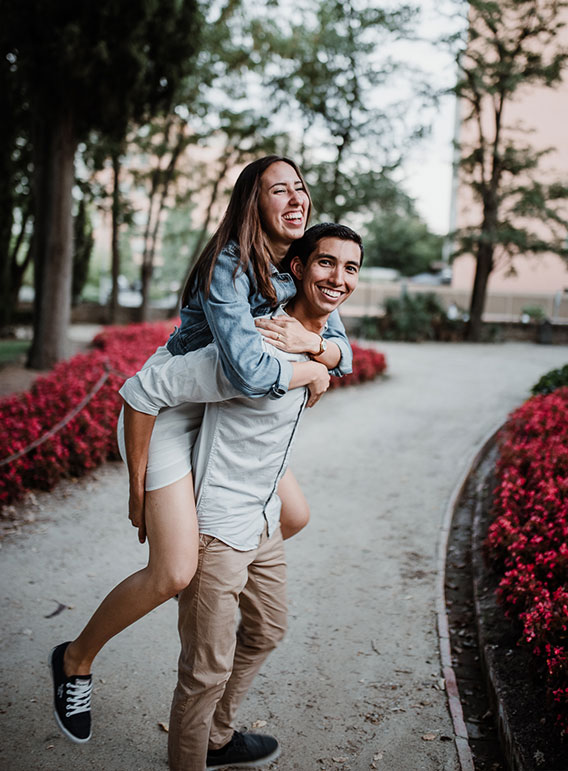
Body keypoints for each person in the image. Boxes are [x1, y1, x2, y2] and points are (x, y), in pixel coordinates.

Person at [50, 156, 351, 744]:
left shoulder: (298, 264)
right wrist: (137, 491)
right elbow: (248, 371)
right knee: (172, 570)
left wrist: (322, 352)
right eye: (278, 190)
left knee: (294, 514)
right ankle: (75, 659)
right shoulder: (228, 267)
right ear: (252, 203)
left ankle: (208, 576)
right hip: (167, 411)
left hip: (221, 414)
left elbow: (338, 337)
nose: (296, 199)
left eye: (300, 188)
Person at [120, 223, 361, 770]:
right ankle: (190, 755)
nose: (338, 278)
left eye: (350, 268)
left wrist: (321, 357)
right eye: (325, 263)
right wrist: (139, 491)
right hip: (219, 521)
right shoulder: (247, 349)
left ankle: (217, 737)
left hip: (262, 513)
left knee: (268, 627)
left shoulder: (319, 345)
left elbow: (344, 356)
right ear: (296, 268)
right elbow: (143, 392)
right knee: (205, 670)